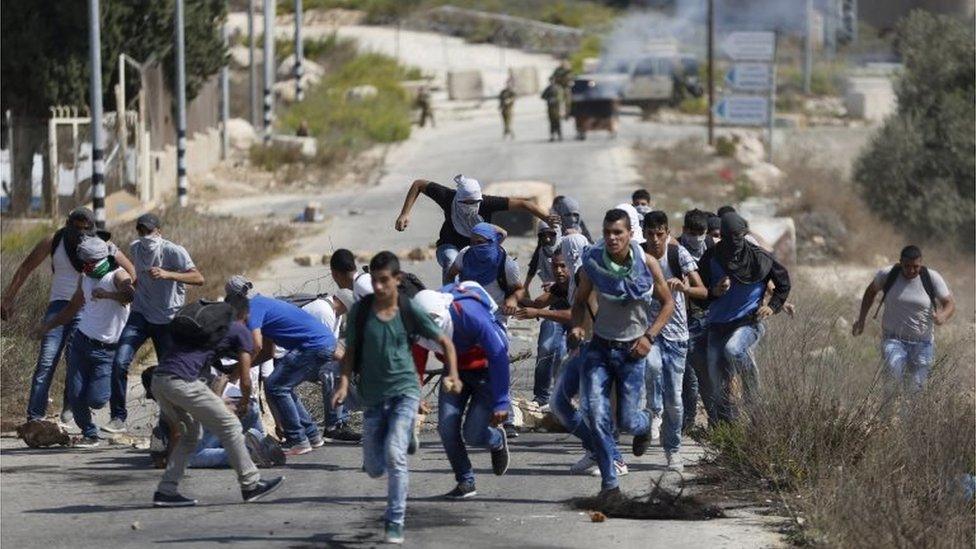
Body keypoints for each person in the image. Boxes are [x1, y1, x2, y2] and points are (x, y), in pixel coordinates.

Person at [332, 252, 460, 544]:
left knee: (395, 455)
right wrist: (342, 384)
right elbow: (350, 352)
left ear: (397, 280)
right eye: (375, 281)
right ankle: (407, 439)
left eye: (384, 281)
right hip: (374, 399)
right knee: (375, 468)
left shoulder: (408, 308)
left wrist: (453, 373)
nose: (378, 287)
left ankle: (395, 520)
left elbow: (445, 341)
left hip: (404, 392)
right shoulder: (361, 312)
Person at [568, 208, 674, 497]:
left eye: (618, 233)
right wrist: (577, 327)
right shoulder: (593, 263)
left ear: (630, 234)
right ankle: (609, 484)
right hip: (600, 348)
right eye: (607, 233)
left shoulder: (647, 263)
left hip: (632, 352)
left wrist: (649, 337)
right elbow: (579, 303)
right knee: (598, 415)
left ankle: (645, 424)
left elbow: (668, 304)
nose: (612, 238)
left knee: (627, 420)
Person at [150, 293, 284, 507]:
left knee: (191, 435)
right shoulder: (239, 330)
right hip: (181, 382)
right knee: (230, 425)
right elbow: (246, 379)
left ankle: (166, 491)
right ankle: (251, 484)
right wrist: (243, 402)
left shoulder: (207, 330)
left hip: (159, 381)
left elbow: (202, 376)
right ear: (246, 314)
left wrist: (218, 403)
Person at [3, 207, 134, 424]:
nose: (81, 232)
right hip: (59, 306)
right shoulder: (53, 241)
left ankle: (70, 405)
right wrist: (8, 297)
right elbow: (26, 268)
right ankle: (35, 417)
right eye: (77, 227)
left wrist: (117, 299)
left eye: (86, 228)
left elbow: (131, 272)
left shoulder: (103, 246)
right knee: (46, 360)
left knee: (74, 361)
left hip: (85, 309)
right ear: (67, 223)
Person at [105, 213, 204, 434]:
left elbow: (198, 278)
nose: (144, 235)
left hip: (167, 319)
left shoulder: (172, 251)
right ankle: (118, 417)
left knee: (168, 373)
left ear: (158, 231)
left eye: (148, 231)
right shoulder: (136, 248)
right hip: (140, 314)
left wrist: (167, 274)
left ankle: (169, 421)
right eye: (140, 231)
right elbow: (138, 275)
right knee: (120, 362)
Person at [414, 284, 511, 499]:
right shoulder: (417, 323)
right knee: (447, 427)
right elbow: (417, 361)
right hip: (454, 371)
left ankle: (495, 440)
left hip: (486, 371)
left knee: (473, 434)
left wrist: (501, 401)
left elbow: (498, 354)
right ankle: (466, 481)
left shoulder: (470, 315)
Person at [34, 237, 134, 447]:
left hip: (106, 350)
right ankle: (90, 433)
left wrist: (107, 295)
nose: (83, 267)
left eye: (86, 263)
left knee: (96, 399)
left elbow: (129, 294)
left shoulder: (116, 275)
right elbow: (72, 308)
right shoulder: (85, 278)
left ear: (97, 260)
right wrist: (47, 327)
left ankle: (99, 417)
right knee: (74, 393)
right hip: (81, 341)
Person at [225, 275, 336, 455]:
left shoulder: (253, 308)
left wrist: (239, 371)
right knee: (283, 385)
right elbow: (267, 352)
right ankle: (312, 435)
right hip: (322, 344)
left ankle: (298, 440)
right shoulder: (264, 305)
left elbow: (256, 345)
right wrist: (243, 366)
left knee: (275, 386)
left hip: (312, 346)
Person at [698, 213, 790, 422]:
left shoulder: (760, 258)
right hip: (717, 325)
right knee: (715, 378)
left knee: (734, 349)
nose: (734, 241)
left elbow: (783, 283)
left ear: (745, 235)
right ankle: (727, 427)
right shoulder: (711, 257)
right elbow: (701, 294)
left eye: (738, 236)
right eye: (728, 237)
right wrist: (715, 291)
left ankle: (753, 397)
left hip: (748, 322)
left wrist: (773, 306)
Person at [550, 233, 629, 477]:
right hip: (585, 348)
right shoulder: (581, 274)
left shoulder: (589, 273)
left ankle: (615, 460)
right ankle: (596, 450)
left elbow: (596, 312)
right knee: (567, 404)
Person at [394, 175, 554, 283]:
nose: (472, 207)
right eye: (467, 203)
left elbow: (523, 204)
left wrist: (546, 217)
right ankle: (450, 297)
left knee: (502, 269)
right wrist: (404, 213)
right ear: (458, 198)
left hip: (479, 248)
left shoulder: (486, 203)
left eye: (475, 202)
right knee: (451, 260)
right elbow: (419, 184)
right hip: (450, 245)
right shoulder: (448, 197)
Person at [642, 211, 707, 471]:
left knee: (676, 400)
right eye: (651, 234)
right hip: (650, 331)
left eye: (661, 234)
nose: (656, 239)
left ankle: (673, 449)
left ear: (667, 232)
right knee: (653, 367)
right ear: (644, 233)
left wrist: (684, 288)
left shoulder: (677, 254)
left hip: (678, 335)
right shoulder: (638, 256)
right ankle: (652, 411)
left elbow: (702, 291)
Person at [852, 245, 954, 390]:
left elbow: (949, 303)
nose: (911, 270)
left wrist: (942, 316)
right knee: (893, 378)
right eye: (907, 266)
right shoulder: (888, 274)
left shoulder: (931, 278)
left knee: (916, 391)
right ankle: (888, 412)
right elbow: (870, 292)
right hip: (893, 339)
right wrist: (861, 320)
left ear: (921, 263)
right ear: (900, 262)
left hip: (923, 343)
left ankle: (908, 412)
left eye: (916, 267)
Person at [676, 209, 717, 429]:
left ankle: (715, 420)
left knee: (710, 374)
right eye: (692, 232)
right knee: (690, 375)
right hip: (687, 318)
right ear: (684, 231)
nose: (697, 237)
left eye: (701, 232)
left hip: (711, 318)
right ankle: (688, 420)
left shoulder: (712, 246)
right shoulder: (675, 249)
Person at [518, 248, 571, 406]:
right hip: (556, 316)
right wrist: (513, 297)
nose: (558, 271)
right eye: (555, 266)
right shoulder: (559, 286)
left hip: (581, 324)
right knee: (546, 347)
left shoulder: (582, 281)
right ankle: (541, 398)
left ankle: (564, 397)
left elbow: (573, 315)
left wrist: (537, 311)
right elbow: (538, 303)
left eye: (563, 266)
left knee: (562, 353)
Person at [447, 222, 524, 325]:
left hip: (495, 316)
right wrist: (452, 295)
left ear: (493, 241)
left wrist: (513, 299)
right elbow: (450, 275)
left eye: (479, 242)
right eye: (472, 242)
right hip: (467, 311)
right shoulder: (465, 255)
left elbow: (520, 290)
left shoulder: (507, 264)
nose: (475, 247)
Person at [541, 77, 563, 142]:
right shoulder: (548, 88)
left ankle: (560, 135)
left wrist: (556, 99)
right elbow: (542, 96)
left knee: (557, 122)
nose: (551, 82)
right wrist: (548, 99)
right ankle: (552, 136)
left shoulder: (558, 88)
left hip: (557, 108)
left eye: (552, 80)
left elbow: (561, 97)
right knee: (551, 123)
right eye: (550, 80)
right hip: (550, 108)